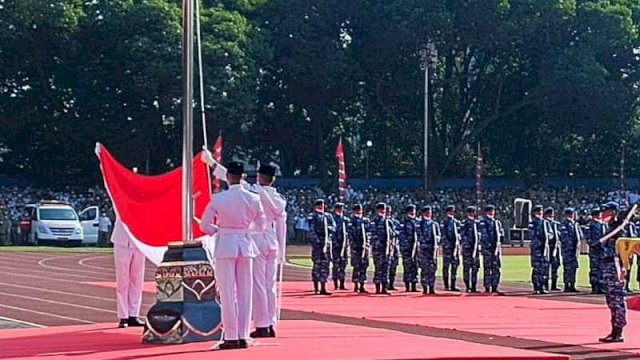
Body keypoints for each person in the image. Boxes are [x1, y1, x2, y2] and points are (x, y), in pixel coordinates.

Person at [200, 161, 266, 350]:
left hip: (226, 243)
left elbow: (204, 225)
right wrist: (243, 230)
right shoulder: (253, 198)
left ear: (228, 176)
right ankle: (243, 335)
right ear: (243, 176)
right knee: (245, 293)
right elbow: (260, 226)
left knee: (227, 293)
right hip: (245, 244)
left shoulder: (219, 198)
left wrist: (219, 230)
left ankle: (231, 336)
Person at [250, 164, 287, 339]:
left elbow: (234, 181)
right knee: (270, 286)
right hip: (272, 242)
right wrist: (282, 251)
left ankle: (262, 324)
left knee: (258, 285)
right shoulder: (279, 200)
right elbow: (282, 227)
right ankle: (271, 323)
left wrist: (212, 163)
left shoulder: (255, 192)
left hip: (257, 240)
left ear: (260, 177)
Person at [596, 202, 628, 343]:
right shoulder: (610, 228)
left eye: (607, 211)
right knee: (611, 300)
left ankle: (618, 331)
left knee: (617, 300)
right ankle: (614, 330)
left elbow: (626, 249)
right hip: (607, 266)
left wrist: (623, 269)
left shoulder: (621, 228)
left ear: (614, 212)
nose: (604, 214)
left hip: (616, 266)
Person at [110, 219, 146, 328]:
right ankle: (123, 316)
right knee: (123, 280)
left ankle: (133, 315)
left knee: (137, 280)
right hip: (122, 241)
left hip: (139, 241)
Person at [306, 199, 334, 295]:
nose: (321, 207)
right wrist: (317, 242)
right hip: (318, 245)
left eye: (322, 205)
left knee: (325, 266)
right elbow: (312, 230)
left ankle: (323, 287)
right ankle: (316, 288)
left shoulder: (328, 216)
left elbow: (333, 227)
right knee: (317, 266)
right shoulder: (313, 216)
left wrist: (329, 229)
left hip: (326, 244)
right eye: (319, 205)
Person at [480, 205, 504, 294]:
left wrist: (498, 243)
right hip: (488, 249)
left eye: (492, 211)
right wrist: (489, 245)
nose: (491, 213)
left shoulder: (497, 223)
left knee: (497, 268)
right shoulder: (483, 223)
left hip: (496, 249)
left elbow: (501, 234)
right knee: (487, 268)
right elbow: (484, 236)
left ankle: (495, 286)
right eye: (489, 211)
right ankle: (487, 287)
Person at [371, 202, 393, 295]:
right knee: (378, 268)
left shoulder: (388, 221)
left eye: (384, 210)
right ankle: (377, 288)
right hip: (378, 248)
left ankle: (384, 287)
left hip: (387, 248)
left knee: (386, 268)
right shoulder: (374, 221)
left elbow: (394, 233)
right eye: (381, 209)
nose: (383, 211)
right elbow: (372, 234)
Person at [418, 206, 439, 295]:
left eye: (429, 213)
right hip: (424, 249)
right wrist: (425, 242)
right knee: (424, 269)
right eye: (427, 213)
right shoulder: (419, 224)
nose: (428, 214)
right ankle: (425, 287)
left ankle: (431, 287)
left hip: (432, 249)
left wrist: (436, 241)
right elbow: (419, 235)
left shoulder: (434, 224)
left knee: (432, 269)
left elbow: (438, 235)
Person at [349, 204, 370, 293]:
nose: (359, 212)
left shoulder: (365, 221)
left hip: (365, 247)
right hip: (356, 247)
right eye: (357, 211)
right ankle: (356, 284)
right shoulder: (351, 222)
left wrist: (367, 243)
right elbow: (350, 235)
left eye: (360, 211)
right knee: (356, 266)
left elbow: (369, 232)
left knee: (364, 265)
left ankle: (362, 285)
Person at [560, 208, 582, 292]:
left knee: (574, 267)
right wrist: (570, 246)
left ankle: (572, 284)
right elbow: (564, 237)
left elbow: (580, 236)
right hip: (568, 250)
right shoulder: (564, 224)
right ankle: (567, 285)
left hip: (575, 250)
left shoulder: (575, 224)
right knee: (567, 268)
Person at [529, 205, 550, 294]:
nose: (540, 213)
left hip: (544, 248)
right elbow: (532, 235)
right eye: (538, 212)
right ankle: (536, 286)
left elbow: (550, 234)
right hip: (537, 248)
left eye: (540, 212)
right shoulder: (532, 223)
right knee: (537, 268)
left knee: (544, 268)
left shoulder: (545, 223)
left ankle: (542, 286)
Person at [461, 206, 481, 293]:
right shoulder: (464, 223)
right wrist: (468, 245)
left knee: (475, 268)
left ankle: (473, 286)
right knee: (467, 268)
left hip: (475, 249)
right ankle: (467, 286)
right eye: (470, 212)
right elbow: (462, 236)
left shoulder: (477, 223)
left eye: (473, 212)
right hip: (467, 249)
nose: (472, 214)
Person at [399, 204, 419, 292]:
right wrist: (407, 247)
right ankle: (407, 286)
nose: (413, 213)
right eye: (411, 212)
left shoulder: (418, 222)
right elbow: (402, 235)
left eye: (414, 211)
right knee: (407, 267)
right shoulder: (404, 222)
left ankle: (414, 286)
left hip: (416, 248)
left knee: (415, 266)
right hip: (407, 248)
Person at [441, 205, 461, 291]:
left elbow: (460, 234)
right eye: (450, 211)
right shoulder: (444, 222)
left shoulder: (456, 222)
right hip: (448, 248)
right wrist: (447, 245)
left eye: (453, 212)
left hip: (455, 248)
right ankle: (446, 285)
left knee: (454, 266)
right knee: (446, 266)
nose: (452, 213)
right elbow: (443, 235)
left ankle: (453, 285)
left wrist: (458, 244)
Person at [331, 203, 350, 290]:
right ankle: (335, 283)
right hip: (336, 246)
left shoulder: (346, 220)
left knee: (343, 264)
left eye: (341, 208)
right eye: (338, 209)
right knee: (336, 265)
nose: (340, 210)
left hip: (344, 246)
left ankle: (342, 283)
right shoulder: (332, 219)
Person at [587, 208, 605, 294]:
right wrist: (594, 244)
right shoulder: (591, 225)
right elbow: (588, 238)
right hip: (594, 250)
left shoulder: (603, 224)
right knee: (594, 268)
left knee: (601, 268)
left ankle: (601, 286)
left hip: (602, 250)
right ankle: (594, 286)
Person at [544, 208, 562, 291]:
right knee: (546, 267)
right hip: (548, 247)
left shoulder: (556, 224)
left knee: (556, 266)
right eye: (550, 214)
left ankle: (554, 285)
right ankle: (545, 285)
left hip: (556, 247)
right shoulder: (544, 223)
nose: (552, 216)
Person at [386, 205, 401, 291]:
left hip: (394, 246)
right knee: (385, 266)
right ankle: (385, 284)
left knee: (394, 266)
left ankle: (391, 284)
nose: (388, 213)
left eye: (389, 211)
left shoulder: (395, 222)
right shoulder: (381, 222)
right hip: (386, 247)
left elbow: (399, 232)